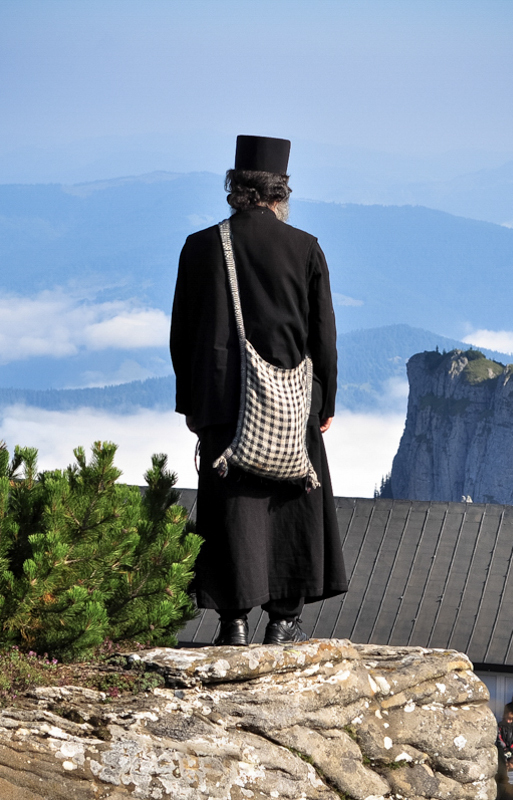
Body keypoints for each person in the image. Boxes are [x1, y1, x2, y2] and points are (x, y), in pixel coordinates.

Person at [170, 135, 346, 646]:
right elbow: (323, 336)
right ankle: (284, 620)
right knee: (289, 503)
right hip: (293, 399)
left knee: (231, 509)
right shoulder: (306, 248)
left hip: (223, 402)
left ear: (234, 188)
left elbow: (183, 334)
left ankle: (234, 621)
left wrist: (192, 403)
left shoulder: (201, 247)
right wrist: (325, 402)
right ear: (280, 192)